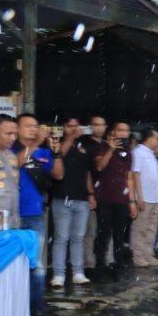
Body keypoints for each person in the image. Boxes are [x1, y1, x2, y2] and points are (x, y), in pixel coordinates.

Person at [13, 113, 63, 316]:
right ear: (17, 129)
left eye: (36, 126)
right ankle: (18, 308)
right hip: (13, 215)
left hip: (35, 213)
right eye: (29, 126)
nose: (34, 130)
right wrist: (34, 146)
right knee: (14, 264)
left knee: (37, 264)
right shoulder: (10, 149)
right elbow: (14, 165)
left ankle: (37, 307)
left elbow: (59, 175)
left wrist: (57, 154)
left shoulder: (43, 151)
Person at [49, 117, 95, 288]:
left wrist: (91, 194)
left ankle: (78, 272)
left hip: (82, 199)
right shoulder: (56, 144)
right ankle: (59, 274)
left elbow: (88, 172)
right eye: (70, 126)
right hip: (62, 198)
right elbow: (59, 155)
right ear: (63, 128)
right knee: (61, 237)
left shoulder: (84, 147)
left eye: (76, 126)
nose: (74, 129)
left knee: (78, 237)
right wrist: (70, 138)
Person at [91, 121, 137, 282]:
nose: (124, 133)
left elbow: (129, 178)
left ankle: (118, 268)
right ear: (113, 132)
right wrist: (110, 149)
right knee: (103, 235)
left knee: (119, 236)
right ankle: (100, 269)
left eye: (126, 130)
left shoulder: (129, 153)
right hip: (104, 199)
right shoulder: (102, 148)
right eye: (120, 130)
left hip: (122, 200)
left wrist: (132, 201)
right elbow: (99, 167)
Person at [130, 128, 158, 267]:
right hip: (144, 198)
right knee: (140, 228)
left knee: (151, 229)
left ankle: (148, 254)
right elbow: (135, 175)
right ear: (149, 138)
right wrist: (139, 196)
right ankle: (138, 256)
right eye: (156, 138)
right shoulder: (137, 152)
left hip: (155, 199)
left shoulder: (151, 154)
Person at [81, 116, 108, 271]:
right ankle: (88, 262)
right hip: (89, 193)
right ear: (90, 126)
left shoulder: (107, 145)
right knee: (89, 230)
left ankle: (104, 260)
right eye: (95, 125)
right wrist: (90, 193)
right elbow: (86, 171)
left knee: (105, 229)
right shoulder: (84, 144)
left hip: (107, 193)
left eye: (101, 125)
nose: (98, 128)